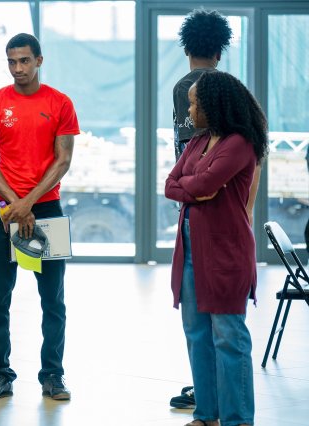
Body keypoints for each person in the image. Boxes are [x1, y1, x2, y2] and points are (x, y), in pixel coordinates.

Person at [0, 33, 78, 401]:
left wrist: (28, 202)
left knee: (53, 298)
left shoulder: (60, 103)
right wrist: (15, 203)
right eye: (11, 61)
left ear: (39, 61)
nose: (17, 68)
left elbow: (63, 160)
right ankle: (0, 375)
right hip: (4, 210)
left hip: (45, 208)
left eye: (24, 61)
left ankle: (53, 375)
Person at [165, 70, 268, 426]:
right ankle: (207, 415)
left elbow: (204, 183)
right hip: (190, 250)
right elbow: (170, 184)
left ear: (214, 104)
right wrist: (193, 189)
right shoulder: (198, 141)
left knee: (228, 337)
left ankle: (237, 420)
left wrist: (191, 187)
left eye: (195, 103)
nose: (190, 110)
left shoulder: (240, 144)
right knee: (197, 335)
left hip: (226, 252)